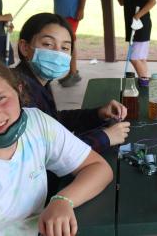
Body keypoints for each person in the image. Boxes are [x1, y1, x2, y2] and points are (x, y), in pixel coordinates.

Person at [0, 54, 113, 235]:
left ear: (18, 90)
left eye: (0, 98)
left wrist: (63, 200)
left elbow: (98, 168)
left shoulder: (37, 123)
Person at [14, 12, 130, 154]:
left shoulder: (36, 81)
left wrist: (98, 114)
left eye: (65, 48)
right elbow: (50, 152)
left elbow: (54, 122)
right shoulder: (18, 92)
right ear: (25, 47)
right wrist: (105, 137)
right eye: (48, 44)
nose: (57, 53)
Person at [29, 0, 88, 87]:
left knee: (69, 41)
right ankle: (72, 72)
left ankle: (73, 73)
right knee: (66, 40)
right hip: (59, 12)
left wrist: (81, 8)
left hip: (71, 12)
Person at [110, 0, 157, 87]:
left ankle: (145, 82)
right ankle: (145, 81)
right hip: (134, 27)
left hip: (140, 26)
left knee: (134, 57)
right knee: (140, 58)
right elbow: (121, 1)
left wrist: (137, 15)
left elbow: (152, 1)